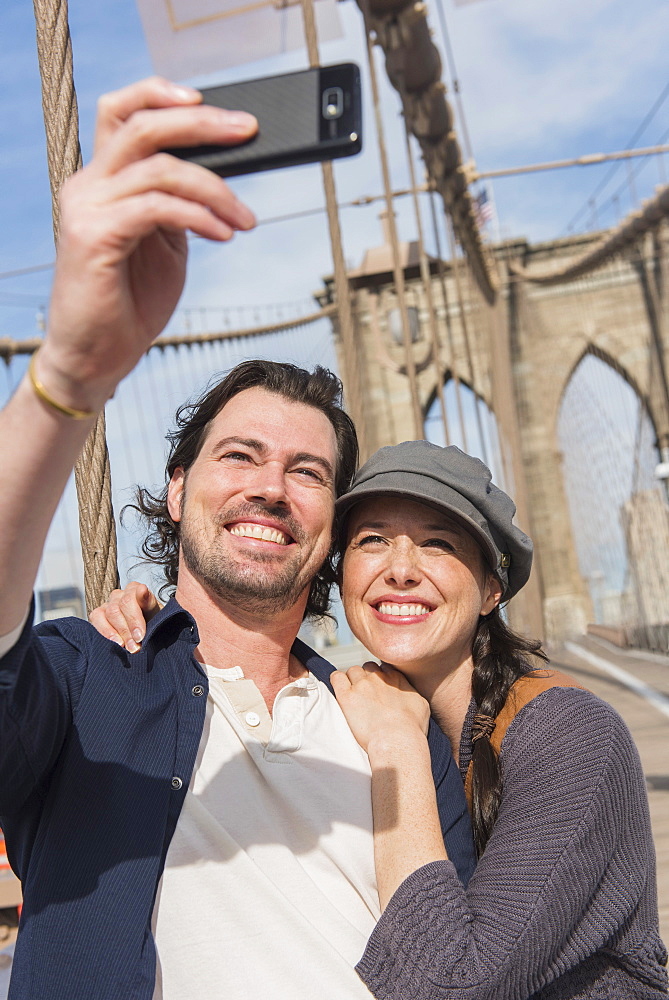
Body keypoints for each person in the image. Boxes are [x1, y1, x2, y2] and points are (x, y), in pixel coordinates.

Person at [0, 78, 474, 1000]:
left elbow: (465, 964)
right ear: (175, 491)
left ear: (333, 524)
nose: (270, 486)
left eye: (307, 472)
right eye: (240, 456)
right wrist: (69, 372)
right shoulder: (84, 680)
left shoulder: (393, 726)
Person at [104, 440, 668, 998]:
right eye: (372, 541)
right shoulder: (359, 712)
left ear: (491, 588)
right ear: (342, 572)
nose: (400, 570)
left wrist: (398, 747)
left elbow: (449, 985)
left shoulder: (568, 737)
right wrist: (158, 631)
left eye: (438, 545)